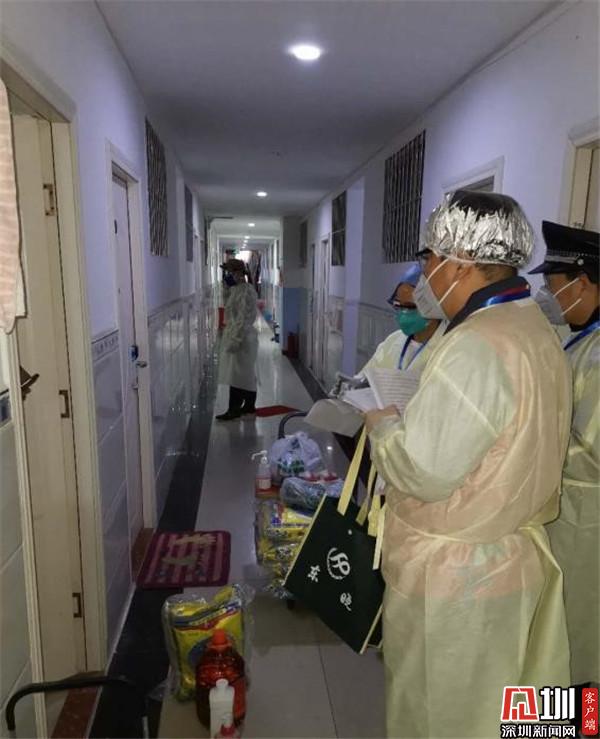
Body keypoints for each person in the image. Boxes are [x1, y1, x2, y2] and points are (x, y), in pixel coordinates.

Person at [364, 190, 572, 738]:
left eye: (430, 258)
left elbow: (423, 470)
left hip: (458, 581)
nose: (426, 272)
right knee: (510, 711)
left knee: (442, 716)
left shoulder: (477, 343)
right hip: (509, 561)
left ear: (460, 263)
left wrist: (383, 426)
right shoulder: (534, 327)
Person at [529, 220, 599, 689]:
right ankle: (545, 719)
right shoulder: (575, 339)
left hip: (585, 522)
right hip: (562, 514)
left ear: (584, 282)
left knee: (575, 646)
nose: (549, 296)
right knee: (550, 643)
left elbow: (592, 451)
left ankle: (574, 722)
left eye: (554, 285)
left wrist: (530, 441)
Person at [360, 263, 445, 376]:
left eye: (410, 307)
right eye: (398, 305)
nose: (403, 313)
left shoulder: (447, 348)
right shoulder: (392, 341)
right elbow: (363, 378)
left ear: (433, 307)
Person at [216, 258, 259, 420]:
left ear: (239, 273)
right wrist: (225, 288)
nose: (228, 275)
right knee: (240, 374)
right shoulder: (236, 289)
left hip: (243, 338)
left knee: (240, 375)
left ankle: (238, 409)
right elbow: (228, 306)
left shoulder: (246, 291)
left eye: (230, 272)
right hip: (237, 335)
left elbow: (242, 318)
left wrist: (236, 340)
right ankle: (246, 407)